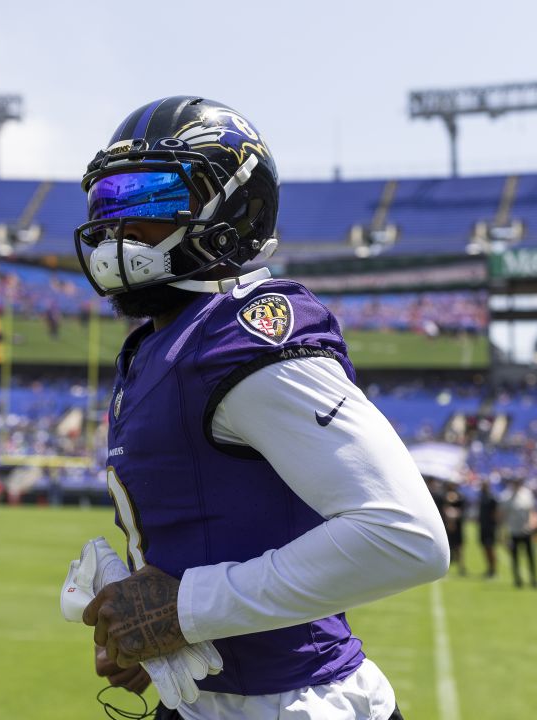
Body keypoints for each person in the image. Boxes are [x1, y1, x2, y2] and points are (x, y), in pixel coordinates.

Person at [72, 96, 449, 720]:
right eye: (107, 203)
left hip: (290, 705)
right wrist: (167, 633)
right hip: (202, 700)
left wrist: (186, 609)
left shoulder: (241, 335)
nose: (117, 228)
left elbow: (404, 536)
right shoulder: (165, 342)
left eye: (145, 200)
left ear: (231, 209)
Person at [499, 476, 537, 589]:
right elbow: (502, 516)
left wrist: (532, 524)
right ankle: (517, 579)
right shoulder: (505, 497)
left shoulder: (527, 494)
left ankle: (533, 579)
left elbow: (532, 511)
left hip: (526, 530)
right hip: (513, 531)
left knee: (530, 556)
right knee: (515, 557)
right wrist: (502, 533)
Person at [440, 482, 467, 577]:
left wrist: (454, 516)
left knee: (459, 547)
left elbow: (462, 510)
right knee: (448, 547)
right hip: (447, 525)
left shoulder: (460, 497)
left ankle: (461, 567)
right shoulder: (444, 495)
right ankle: (446, 568)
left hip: (457, 525)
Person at [477, 477, 499, 578]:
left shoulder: (492, 498)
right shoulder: (482, 497)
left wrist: (495, 526)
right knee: (485, 548)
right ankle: (489, 568)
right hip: (483, 526)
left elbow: (495, 513)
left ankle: (493, 569)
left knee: (490, 548)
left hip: (490, 527)